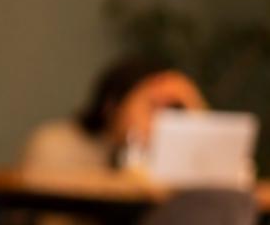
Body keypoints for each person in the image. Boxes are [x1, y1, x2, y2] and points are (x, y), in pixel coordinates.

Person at [20, 56, 208, 177]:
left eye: (169, 109)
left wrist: (192, 103)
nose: (160, 120)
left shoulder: (165, 155)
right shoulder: (56, 144)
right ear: (111, 106)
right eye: (151, 106)